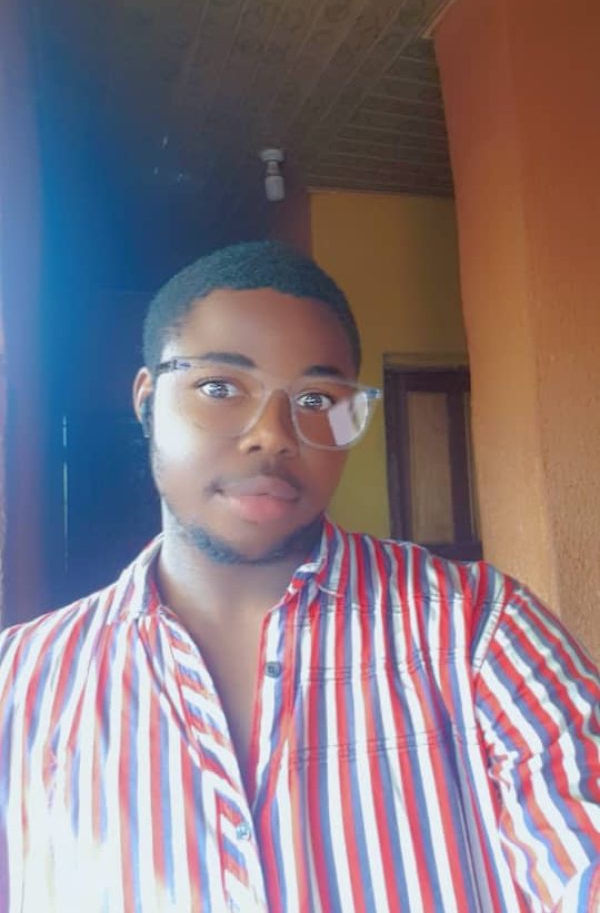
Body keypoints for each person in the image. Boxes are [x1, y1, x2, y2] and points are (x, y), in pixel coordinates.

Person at [0, 239, 598, 913]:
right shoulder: (21, 683)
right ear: (147, 400)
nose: (275, 434)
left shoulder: (477, 630)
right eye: (220, 387)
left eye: (316, 398)